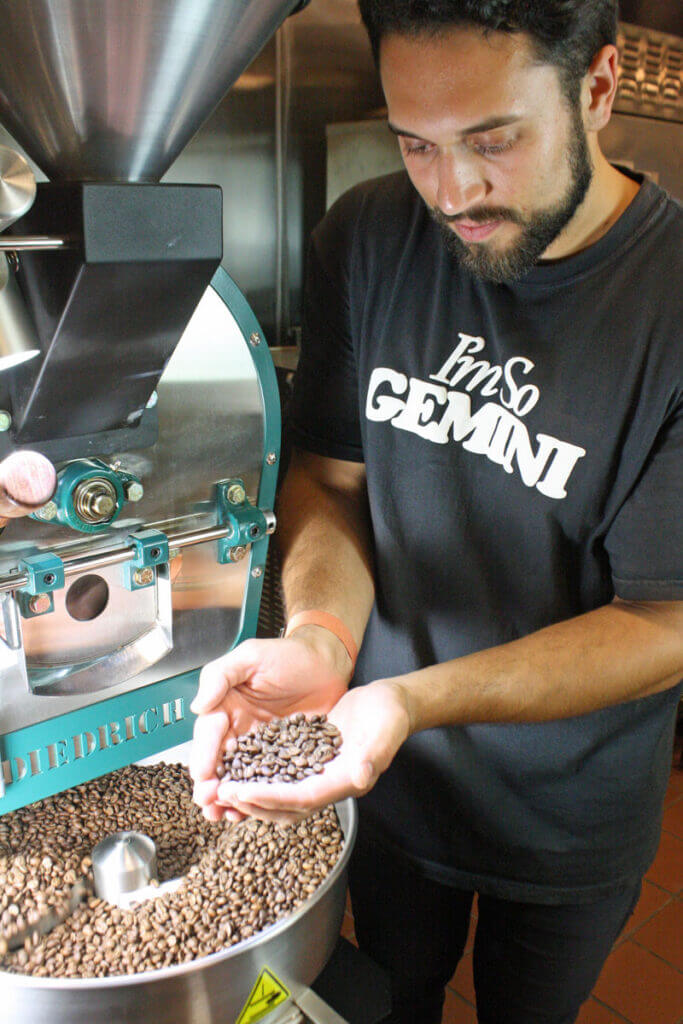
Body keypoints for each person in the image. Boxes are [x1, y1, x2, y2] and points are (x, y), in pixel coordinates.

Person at [190, 2, 683, 1021]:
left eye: (491, 140)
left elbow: (663, 619)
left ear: (594, 87)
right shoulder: (366, 236)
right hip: (385, 778)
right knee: (389, 993)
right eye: (415, 143)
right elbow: (330, 479)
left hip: (566, 812)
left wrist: (410, 698)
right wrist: (324, 639)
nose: (451, 192)